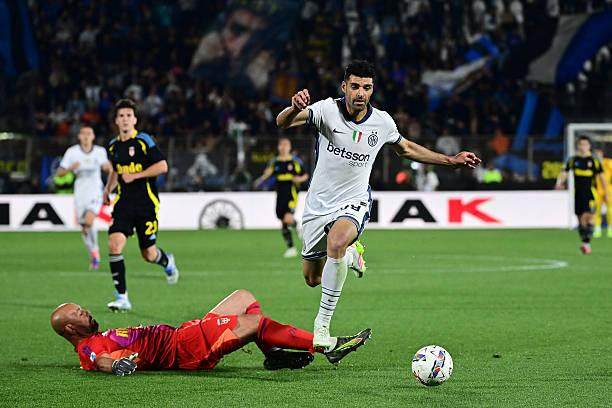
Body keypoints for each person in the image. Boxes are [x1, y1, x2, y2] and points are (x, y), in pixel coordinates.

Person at [276, 60, 481, 351]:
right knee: (313, 278)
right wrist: (293, 107)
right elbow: (282, 122)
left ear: (372, 90)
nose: (361, 93)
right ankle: (350, 256)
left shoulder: (382, 122)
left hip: (354, 200)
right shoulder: (325, 111)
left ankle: (322, 326)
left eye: (367, 87)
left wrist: (450, 160)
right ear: (344, 87)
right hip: (317, 206)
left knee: (337, 241)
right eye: (355, 86)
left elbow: (406, 148)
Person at [50, 289, 371, 375]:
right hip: (185, 349)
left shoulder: (98, 337)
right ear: (69, 328)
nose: (85, 311)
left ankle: (273, 355)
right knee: (256, 324)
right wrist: (116, 366)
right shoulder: (88, 348)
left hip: (184, 334)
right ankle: (326, 345)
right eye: (78, 313)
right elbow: (100, 360)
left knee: (245, 298)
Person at [103, 99, 179, 312]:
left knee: (148, 254)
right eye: (121, 116)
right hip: (123, 204)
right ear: (116, 121)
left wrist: (136, 175)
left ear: (134, 119)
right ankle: (122, 298)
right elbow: (116, 171)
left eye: (129, 115)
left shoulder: (143, 140)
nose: (125, 119)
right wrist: (107, 190)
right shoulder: (113, 145)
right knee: (114, 245)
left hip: (146, 205)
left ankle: (167, 262)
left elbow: (162, 166)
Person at [56, 126, 112, 270]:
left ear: (93, 137)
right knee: (85, 227)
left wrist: (108, 167)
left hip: (95, 191)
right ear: (79, 136)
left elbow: (107, 167)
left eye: (89, 134)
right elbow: (59, 172)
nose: (86, 136)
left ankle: (95, 252)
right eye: (83, 134)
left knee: (88, 221)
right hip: (80, 193)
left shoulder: (100, 151)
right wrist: (70, 168)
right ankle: (94, 253)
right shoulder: (72, 152)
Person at [254, 137, 309, 257]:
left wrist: (299, 179)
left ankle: (296, 228)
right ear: (278, 147)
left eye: (286, 145)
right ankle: (291, 247)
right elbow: (267, 173)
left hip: (291, 192)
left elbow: (305, 175)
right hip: (280, 193)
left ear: (289, 147)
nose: (283, 147)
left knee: (287, 218)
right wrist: (260, 180)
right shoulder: (274, 162)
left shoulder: (295, 161)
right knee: (282, 220)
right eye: (281, 145)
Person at [556, 136, 609, 254]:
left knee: (588, 216)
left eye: (585, 144)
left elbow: (602, 178)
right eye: (581, 144)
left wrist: (606, 193)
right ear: (578, 146)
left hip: (591, 193)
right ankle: (585, 243)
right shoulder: (573, 160)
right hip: (578, 194)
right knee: (580, 220)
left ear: (589, 146)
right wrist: (560, 183)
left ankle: (587, 242)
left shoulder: (594, 161)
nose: (583, 147)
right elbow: (564, 172)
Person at [592, 148, 612, 238]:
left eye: (598, 154)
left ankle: (610, 229)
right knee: (597, 210)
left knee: (610, 210)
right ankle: (597, 229)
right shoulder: (594, 165)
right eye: (596, 154)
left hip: (608, 189)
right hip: (598, 190)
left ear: (602, 154)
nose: (597, 156)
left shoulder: (608, 162)